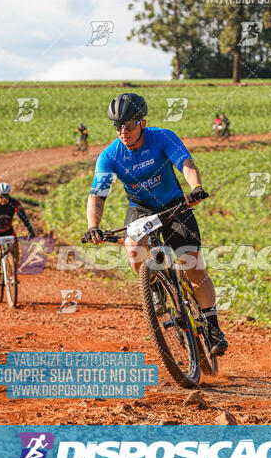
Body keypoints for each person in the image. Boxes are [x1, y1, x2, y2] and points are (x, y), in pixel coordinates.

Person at [84, 93, 228, 356]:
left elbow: (184, 162)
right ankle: (154, 286)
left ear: (142, 122)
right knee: (133, 246)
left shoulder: (162, 137)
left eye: (128, 125)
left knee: (192, 264)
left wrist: (195, 187)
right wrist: (94, 225)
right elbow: (98, 194)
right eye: (117, 126)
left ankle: (213, 326)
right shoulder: (110, 156)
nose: (123, 131)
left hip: (174, 204)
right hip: (141, 209)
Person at [0, 182, 35, 285]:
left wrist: (31, 231)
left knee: (15, 249)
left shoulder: (14, 203)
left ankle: (12, 275)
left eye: (6, 196)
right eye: (1, 197)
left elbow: (24, 218)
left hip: (7, 230)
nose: (4, 199)